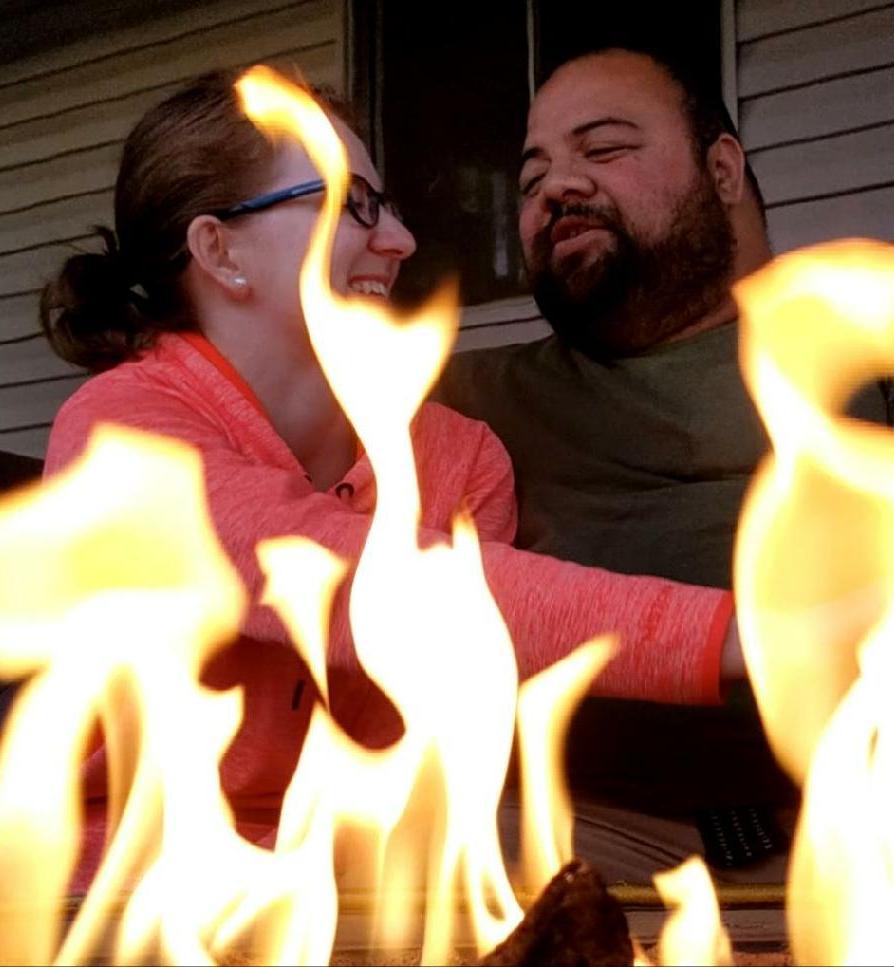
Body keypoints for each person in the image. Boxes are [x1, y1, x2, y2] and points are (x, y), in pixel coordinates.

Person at [39, 68, 746, 889]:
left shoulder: (460, 460)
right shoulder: (120, 433)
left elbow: (450, 704)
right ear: (219, 249)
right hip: (123, 891)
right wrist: (748, 635)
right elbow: (340, 574)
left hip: (368, 879)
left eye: (389, 207)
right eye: (352, 204)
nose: (399, 241)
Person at [434, 46, 894, 879]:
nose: (554, 190)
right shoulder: (467, 395)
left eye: (602, 149)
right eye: (531, 178)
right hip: (570, 839)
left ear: (721, 169)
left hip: (880, 833)